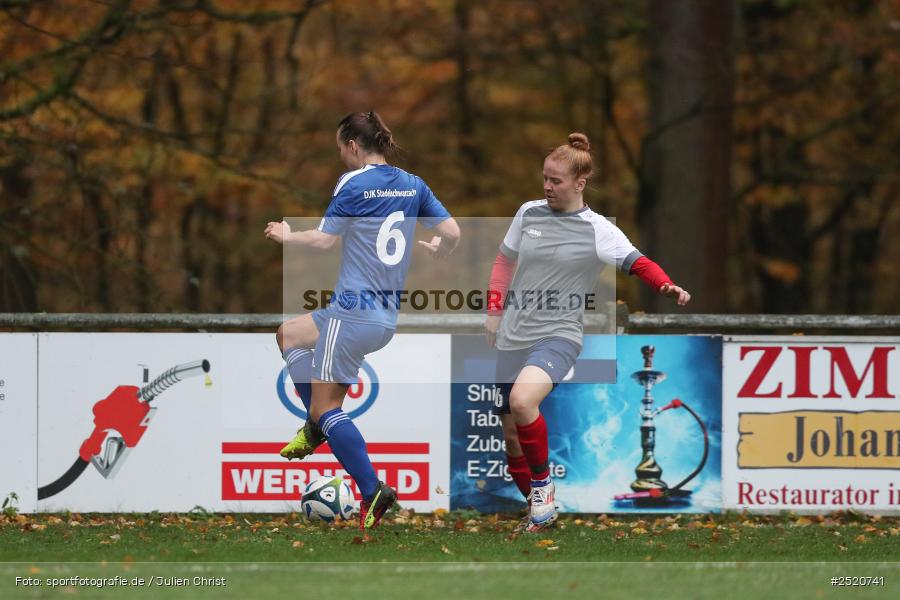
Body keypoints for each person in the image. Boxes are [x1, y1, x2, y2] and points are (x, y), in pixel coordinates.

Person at [485, 132, 690, 532]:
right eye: (544, 178)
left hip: (559, 335)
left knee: (523, 401)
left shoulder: (598, 229)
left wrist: (665, 284)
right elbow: (503, 262)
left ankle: (543, 493)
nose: (547, 186)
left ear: (580, 183)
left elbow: (638, 262)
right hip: (513, 333)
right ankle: (539, 512)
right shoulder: (528, 213)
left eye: (556, 181)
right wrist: (494, 310)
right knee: (510, 436)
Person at [265, 111, 460, 530]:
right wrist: (440, 249)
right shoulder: (414, 184)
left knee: (327, 408)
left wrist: (287, 236)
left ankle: (371, 489)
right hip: (382, 317)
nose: (341, 157)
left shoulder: (353, 182)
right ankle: (315, 425)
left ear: (353, 145)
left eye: (340, 149)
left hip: (351, 312)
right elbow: (454, 232)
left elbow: (324, 239)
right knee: (288, 335)